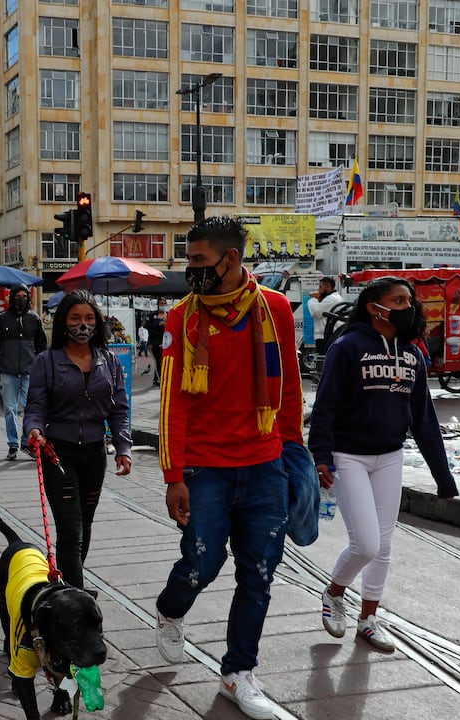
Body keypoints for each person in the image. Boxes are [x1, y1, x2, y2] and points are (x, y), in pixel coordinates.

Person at [154, 216, 304, 719]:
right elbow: (171, 398)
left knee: (258, 573)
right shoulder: (182, 318)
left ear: (230, 259)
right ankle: (171, 610)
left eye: (198, 261)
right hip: (204, 467)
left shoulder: (276, 309)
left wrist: (296, 454)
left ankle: (238, 674)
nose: (190, 270)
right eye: (189, 260)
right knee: (201, 563)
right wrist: (173, 475)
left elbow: (289, 385)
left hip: (265, 464)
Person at [309, 276, 458, 653]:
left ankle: (369, 619)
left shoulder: (413, 355)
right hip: (348, 456)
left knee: (385, 545)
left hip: (390, 455)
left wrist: (444, 477)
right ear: (376, 307)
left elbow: (424, 418)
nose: (409, 308)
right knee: (367, 544)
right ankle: (334, 593)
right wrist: (321, 456)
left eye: (410, 300)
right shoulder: (347, 347)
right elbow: (324, 406)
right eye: (399, 300)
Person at [23, 290, 131, 589]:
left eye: (88, 318)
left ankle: (68, 589)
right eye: (75, 318)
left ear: (97, 322)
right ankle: (76, 596)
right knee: (70, 531)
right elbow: (35, 406)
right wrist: (34, 430)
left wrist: (123, 447)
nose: (82, 325)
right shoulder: (46, 361)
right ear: (62, 323)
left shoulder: (108, 361)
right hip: (58, 453)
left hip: (95, 455)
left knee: (84, 525)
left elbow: (119, 408)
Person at [0, 284, 48, 460]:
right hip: (8, 371)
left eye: (24, 296)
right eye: (18, 295)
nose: (21, 299)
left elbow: (42, 346)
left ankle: (25, 442)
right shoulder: (3, 319)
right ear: (12, 298)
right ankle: (12, 444)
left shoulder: (34, 319)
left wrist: (42, 367)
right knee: (10, 409)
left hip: (30, 372)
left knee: (31, 409)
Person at [307, 276, 345, 357]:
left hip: (328, 336)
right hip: (325, 335)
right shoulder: (330, 298)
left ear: (327, 287)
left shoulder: (332, 299)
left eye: (321, 286)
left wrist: (313, 299)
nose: (318, 289)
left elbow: (316, 311)